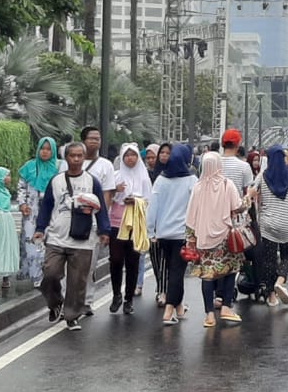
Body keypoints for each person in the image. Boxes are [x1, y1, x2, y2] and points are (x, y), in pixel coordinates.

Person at [35, 141, 111, 331]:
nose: (76, 159)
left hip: (83, 238)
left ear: (84, 158)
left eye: (80, 155)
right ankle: (55, 303)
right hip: (56, 237)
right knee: (50, 273)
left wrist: (104, 230)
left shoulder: (92, 182)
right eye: (72, 155)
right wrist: (40, 227)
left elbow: (101, 207)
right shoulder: (56, 181)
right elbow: (46, 207)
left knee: (77, 281)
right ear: (66, 158)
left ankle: (72, 315)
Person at [185, 152, 245, 327]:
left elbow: (191, 215)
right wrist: (248, 200)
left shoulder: (198, 187)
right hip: (225, 238)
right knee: (229, 271)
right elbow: (238, 207)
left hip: (203, 239)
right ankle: (226, 307)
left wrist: (190, 238)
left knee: (208, 275)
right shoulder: (227, 184)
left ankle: (209, 315)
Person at [149, 144, 197, 324]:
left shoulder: (161, 179)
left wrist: (151, 231)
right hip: (181, 234)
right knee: (177, 272)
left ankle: (179, 307)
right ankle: (169, 311)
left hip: (163, 233)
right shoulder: (191, 180)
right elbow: (195, 208)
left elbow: (153, 207)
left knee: (171, 270)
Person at [251, 145, 288, 308]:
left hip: (268, 225)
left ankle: (271, 297)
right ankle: (280, 281)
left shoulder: (263, 176)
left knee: (269, 260)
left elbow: (252, 191)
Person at [108, 143, 153, 314]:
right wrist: (115, 190)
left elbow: (149, 201)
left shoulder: (144, 178)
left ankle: (128, 299)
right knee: (116, 260)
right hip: (116, 224)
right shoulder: (116, 176)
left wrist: (136, 201)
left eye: (133, 155)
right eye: (126, 155)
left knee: (133, 262)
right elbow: (108, 197)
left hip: (136, 224)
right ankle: (116, 295)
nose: (130, 158)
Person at [17, 137, 59, 287]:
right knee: (31, 243)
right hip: (31, 211)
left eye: (48, 149)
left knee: (48, 244)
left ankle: (45, 273)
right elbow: (21, 186)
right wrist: (22, 204)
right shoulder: (29, 166)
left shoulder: (59, 168)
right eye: (43, 148)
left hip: (52, 213)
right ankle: (36, 276)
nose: (45, 152)